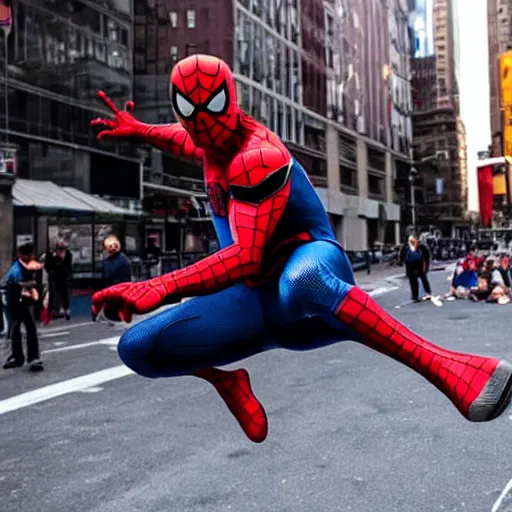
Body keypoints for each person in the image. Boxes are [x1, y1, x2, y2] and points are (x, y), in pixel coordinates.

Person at [90, 54, 512, 444]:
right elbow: (181, 138)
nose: (201, 123)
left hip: (308, 260)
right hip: (255, 299)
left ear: (232, 101)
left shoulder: (258, 157)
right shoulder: (204, 138)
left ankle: (450, 368)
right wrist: (141, 130)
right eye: (189, 111)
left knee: (302, 281)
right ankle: (227, 381)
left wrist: (159, 287)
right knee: (138, 348)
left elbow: (247, 256)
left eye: (212, 106)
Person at [3, 242, 44, 372]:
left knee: (29, 328)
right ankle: (18, 357)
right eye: (27, 254)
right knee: (16, 328)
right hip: (15, 302)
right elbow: (12, 285)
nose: (29, 257)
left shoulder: (31, 267)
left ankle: (32, 358)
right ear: (20, 255)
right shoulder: (16, 270)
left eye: (30, 254)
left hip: (24, 302)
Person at [399, 235, 435, 303]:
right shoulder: (421, 246)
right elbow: (427, 257)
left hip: (415, 264)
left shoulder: (408, 246)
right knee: (418, 279)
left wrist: (400, 262)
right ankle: (421, 295)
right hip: (414, 264)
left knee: (419, 279)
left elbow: (401, 255)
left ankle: (417, 296)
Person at [44, 239, 73, 320]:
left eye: (62, 248)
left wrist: (67, 273)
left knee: (64, 293)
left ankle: (66, 309)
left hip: (63, 277)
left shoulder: (67, 254)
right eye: (59, 248)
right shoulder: (51, 254)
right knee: (54, 293)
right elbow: (47, 265)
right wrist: (53, 267)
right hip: (54, 276)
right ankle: (54, 310)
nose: (60, 250)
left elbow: (69, 266)